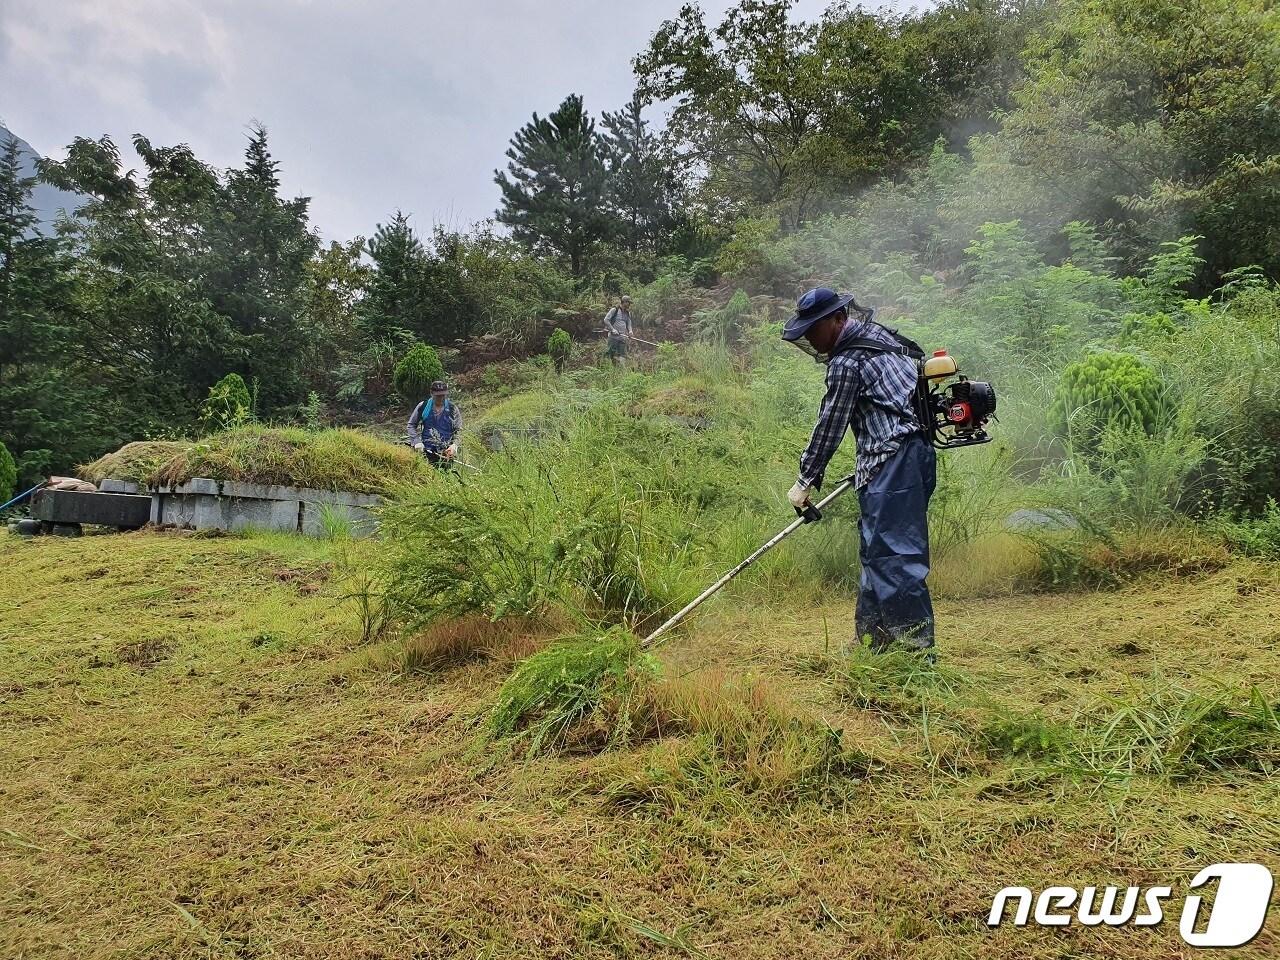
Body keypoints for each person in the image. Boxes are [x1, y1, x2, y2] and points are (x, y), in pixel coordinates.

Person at [782, 287, 938, 658]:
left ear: (838, 319)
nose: (809, 337)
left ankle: (915, 656)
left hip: (893, 462)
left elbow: (830, 425)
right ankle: (872, 641)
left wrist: (805, 481)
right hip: (910, 456)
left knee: (895, 559)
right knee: (875, 554)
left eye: (814, 328)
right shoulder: (880, 337)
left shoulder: (847, 361)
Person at [407, 380, 462, 468]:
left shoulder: (452, 409)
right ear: (431, 393)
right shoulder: (423, 406)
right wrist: (416, 442)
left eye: (443, 395)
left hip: (446, 453)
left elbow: (459, 430)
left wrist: (455, 445)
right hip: (426, 452)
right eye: (438, 396)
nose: (441, 398)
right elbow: (411, 425)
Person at [602, 294, 634, 366]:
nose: (629, 304)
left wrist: (630, 331)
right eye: (629, 303)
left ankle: (622, 370)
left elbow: (629, 323)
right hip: (613, 337)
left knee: (623, 354)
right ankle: (606, 367)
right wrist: (612, 329)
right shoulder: (614, 310)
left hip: (623, 337)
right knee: (610, 354)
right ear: (624, 302)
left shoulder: (627, 313)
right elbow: (606, 320)